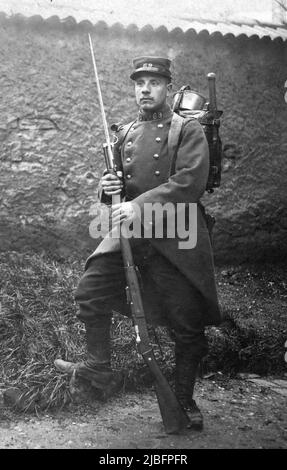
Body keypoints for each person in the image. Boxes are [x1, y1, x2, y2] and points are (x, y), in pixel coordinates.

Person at [55, 56, 222, 430]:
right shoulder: (126, 132)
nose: (145, 89)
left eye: (154, 82)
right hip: (130, 233)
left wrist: (138, 205)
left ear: (167, 87)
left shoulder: (186, 130)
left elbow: (189, 182)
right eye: (139, 83)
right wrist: (107, 188)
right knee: (91, 288)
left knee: (186, 321)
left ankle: (183, 398)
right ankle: (99, 368)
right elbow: (115, 182)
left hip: (175, 234)